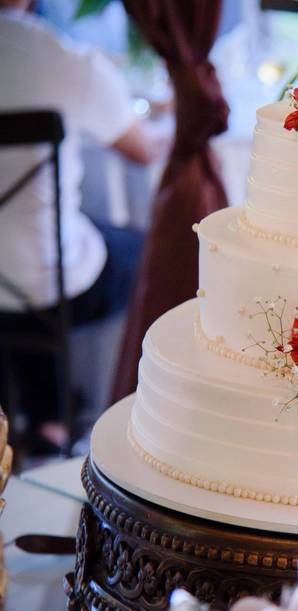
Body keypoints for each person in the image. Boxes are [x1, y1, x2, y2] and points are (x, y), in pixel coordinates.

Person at [0, 0, 167, 454]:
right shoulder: (57, 56)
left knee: (32, 251)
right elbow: (145, 150)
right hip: (48, 287)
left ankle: (44, 414)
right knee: (130, 252)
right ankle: (91, 413)